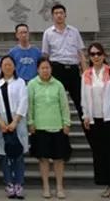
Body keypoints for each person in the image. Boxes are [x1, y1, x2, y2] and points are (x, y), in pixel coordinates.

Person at [81, 42, 110, 201]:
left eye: (98, 53)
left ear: (104, 55)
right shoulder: (86, 74)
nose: (96, 57)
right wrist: (86, 115)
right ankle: (108, 183)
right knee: (100, 154)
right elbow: (84, 97)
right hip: (95, 120)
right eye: (92, 54)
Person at [28, 58, 71, 200]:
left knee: (59, 159)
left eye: (47, 68)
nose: (45, 70)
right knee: (43, 159)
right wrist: (30, 122)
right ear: (37, 70)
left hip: (57, 127)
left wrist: (66, 123)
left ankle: (59, 187)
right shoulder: (32, 84)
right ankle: (46, 187)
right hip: (40, 127)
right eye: (42, 68)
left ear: (51, 69)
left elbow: (64, 105)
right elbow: (30, 105)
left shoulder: (58, 84)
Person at [41, 4, 87, 124]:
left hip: (73, 69)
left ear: (65, 14)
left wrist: (86, 73)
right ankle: (58, 130)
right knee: (56, 102)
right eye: (56, 13)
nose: (59, 15)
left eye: (61, 13)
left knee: (81, 102)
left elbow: (80, 53)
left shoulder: (74, 31)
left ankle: (89, 128)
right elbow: (45, 56)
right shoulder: (48, 33)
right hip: (57, 69)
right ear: (52, 16)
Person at [0, 55, 28, 200]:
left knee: (18, 154)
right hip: (1, 121)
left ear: (14, 66)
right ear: (1, 67)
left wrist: (15, 122)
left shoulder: (20, 82)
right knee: (4, 154)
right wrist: (0, 122)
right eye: (5, 64)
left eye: (10, 64)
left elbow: (24, 101)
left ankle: (19, 184)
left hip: (17, 120)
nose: (7, 67)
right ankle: (9, 184)